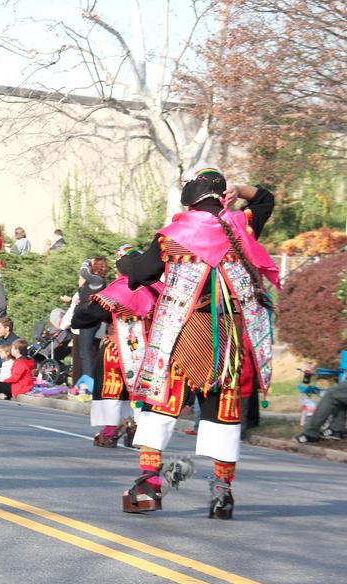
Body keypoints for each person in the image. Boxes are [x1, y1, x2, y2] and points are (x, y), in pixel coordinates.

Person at [123, 166, 277, 520]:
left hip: (180, 336)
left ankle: (149, 485)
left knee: (161, 408)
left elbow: (142, 272)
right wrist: (241, 189)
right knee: (222, 416)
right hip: (227, 339)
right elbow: (266, 199)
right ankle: (222, 492)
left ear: (190, 196)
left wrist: (125, 263)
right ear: (222, 195)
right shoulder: (242, 226)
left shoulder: (173, 234)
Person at [71, 245, 163, 448]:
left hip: (116, 349)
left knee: (112, 389)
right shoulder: (157, 288)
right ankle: (135, 427)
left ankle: (111, 429)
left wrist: (78, 316)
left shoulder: (119, 288)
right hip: (149, 350)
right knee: (140, 388)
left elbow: (91, 314)